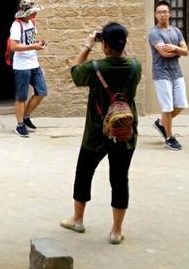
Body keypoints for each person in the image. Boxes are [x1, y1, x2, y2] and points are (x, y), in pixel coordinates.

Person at [62, 23, 142, 245]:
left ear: (104, 44)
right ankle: (116, 231)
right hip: (125, 132)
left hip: (96, 132)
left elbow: (75, 74)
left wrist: (87, 45)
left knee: (84, 173)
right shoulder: (135, 66)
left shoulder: (95, 68)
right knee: (119, 179)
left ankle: (78, 220)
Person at [148, 0, 189, 151]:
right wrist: (178, 50)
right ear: (155, 15)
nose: (162, 14)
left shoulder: (176, 31)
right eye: (159, 12)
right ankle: (169, 137)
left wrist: (175, 48)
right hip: (161, 73)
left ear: (170, 13)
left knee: (181, 104)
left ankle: (161, 123)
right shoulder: (154, 33)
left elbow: (186, 51)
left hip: (176, 72)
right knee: (167, 107)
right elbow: (164, 53)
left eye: (165, 11)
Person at [9, 0, 47, 138]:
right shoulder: (16, 25)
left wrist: (39, 43)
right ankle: (20, 125)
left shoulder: (31, 22)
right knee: (21, 97)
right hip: (22, 66)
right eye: (33, 11)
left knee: (41, 91)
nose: (35, 13)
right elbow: (14, 46)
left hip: (34, 63)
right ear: (26, 13)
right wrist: (33, 46)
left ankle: (26, 117)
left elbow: (29, 40)